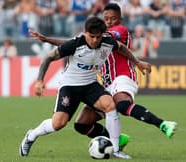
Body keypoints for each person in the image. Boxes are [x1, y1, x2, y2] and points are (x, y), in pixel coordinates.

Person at [29, 3, 177, 158]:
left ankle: (160, 125)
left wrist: (137, 62)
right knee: (81, 125)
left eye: (113, 19)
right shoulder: (95, 37)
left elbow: (108, 42)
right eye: (106, 18)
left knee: (120, 105)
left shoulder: (119, 31)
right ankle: (115, 140)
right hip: (103, 83)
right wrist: (49, 40)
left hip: (122, 77)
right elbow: (77, 42)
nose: (109, 22)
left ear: (120, 19)